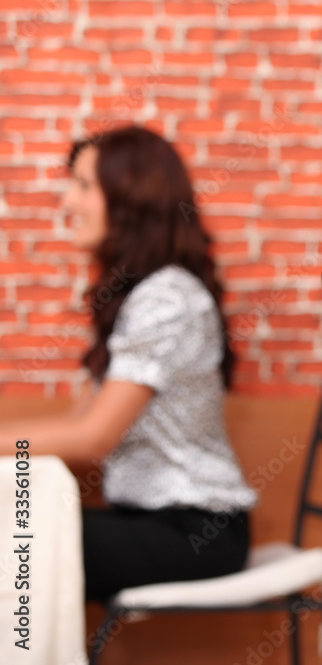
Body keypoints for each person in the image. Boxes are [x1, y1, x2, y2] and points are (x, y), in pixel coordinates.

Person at [0, 125, 257, 602]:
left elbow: (93, 437)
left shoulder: (168, 297)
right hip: (148, 519)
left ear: (130, 198)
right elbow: (78, 422)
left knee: (18, 546)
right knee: (18, 534)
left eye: (83, 185)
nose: (66, 202)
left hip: (197, 529)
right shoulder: (140, 296)